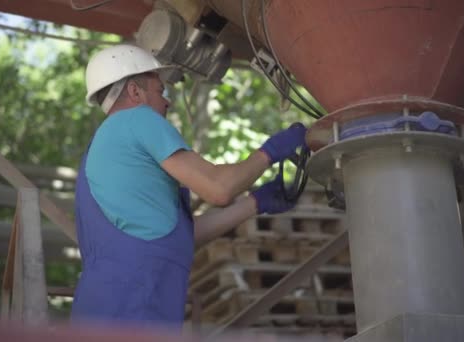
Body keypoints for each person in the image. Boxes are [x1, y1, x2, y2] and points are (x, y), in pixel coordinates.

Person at [71, 44, 307, 329]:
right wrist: (270, 151)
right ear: (135, 92)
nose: (168, 102)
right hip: (133, 309)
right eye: (161, 91)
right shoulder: (138, 118)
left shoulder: (105, 149)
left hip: (107, 309)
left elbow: (176, 237)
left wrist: (254, 203)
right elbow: (218, 188)